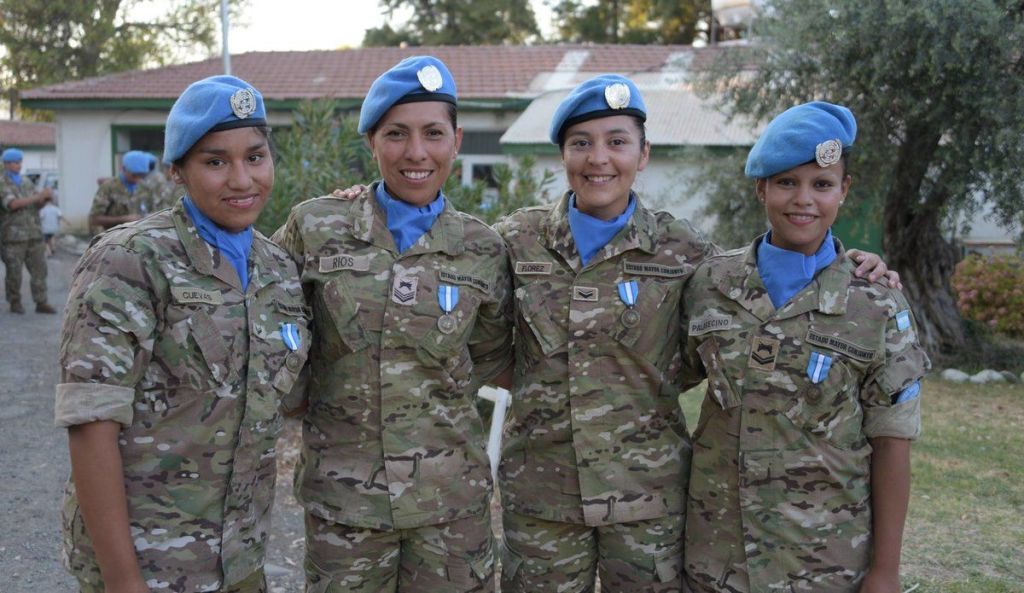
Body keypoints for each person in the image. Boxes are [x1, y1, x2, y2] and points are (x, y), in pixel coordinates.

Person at [492, 78, 900, 593]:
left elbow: (726, 319)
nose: (599, 158)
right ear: (563, 154)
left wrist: (853, 265)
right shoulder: (513, 241)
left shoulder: (685, 252)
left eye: (617, 142)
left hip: (648, 497)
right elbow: (482, 343)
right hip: (541, 494)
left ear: (644, 154)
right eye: (581, 143)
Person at [56, 75, 311, 593]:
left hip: (240, 559)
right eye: (215, 162)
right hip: (149, 562)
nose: (242, 179)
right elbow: (91, 423)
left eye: (255, 157)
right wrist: (124, 581)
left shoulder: (278, 268)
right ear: (176, 170)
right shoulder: (130, 260)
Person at [273, 55, 514, 593]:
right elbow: (271, 324)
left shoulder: (484, 248)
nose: (416, 152)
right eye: (396, 133)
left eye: (433, 133)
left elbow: (491, 355)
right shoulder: (316, 226)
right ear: (371, 142)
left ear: (456, 141)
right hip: (345, 504)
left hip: (450, 505)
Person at [680, 102, 929, 593]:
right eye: (787, 182)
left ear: (844, 190)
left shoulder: (876, 304)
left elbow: (892, 442)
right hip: (716, 558)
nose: (803, 200)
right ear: (761, 188)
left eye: (822, 184)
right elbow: (663, 377)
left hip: (823, 564)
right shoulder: (710, 284)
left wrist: (885, 571)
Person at [0, 146, 56, 314]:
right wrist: (37, 196)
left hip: (34, 233)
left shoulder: (25, 181)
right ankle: (15, 301)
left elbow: (36, 205)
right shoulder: (2, 182)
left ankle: (41, 301)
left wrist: (45, 199)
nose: (19, 165)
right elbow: (12, 204)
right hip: (13, 237)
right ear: (6, 164)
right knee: (14, 273)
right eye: (15, 162)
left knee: (40, 270)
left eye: (20, 162)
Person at [88, 149, 151, 232]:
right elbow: (94, 219)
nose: (137, 179)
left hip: (137, 235)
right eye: (134, 175)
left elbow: (151, 210)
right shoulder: (109, 187)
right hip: (113, 236)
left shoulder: (144, 187)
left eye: (142, 175)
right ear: (124, 169)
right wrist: (123, 219)